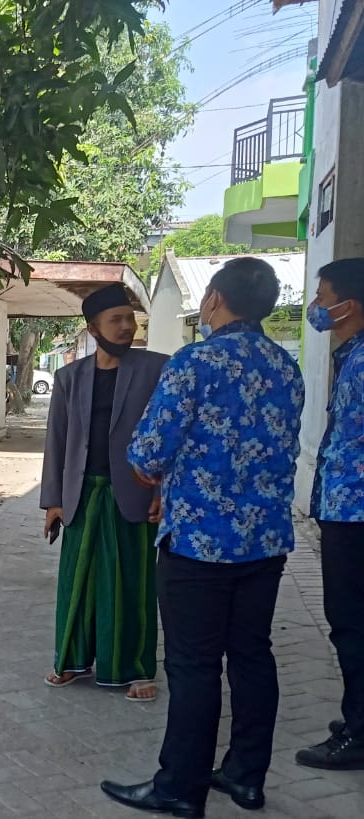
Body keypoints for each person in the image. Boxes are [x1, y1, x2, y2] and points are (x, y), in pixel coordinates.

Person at [101, 257, 304, 817]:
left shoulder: (196, 362)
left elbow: (146, 452)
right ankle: (245, 776)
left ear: (213, 298)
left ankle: (179, 788)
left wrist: (162, 476)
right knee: (252, 656)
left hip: (198, 542)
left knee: (192, 664)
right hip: (265, 541)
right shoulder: (286, 367)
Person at [40, 283, 168, 701]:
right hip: (82, 494)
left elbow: (169, 435)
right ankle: (70, 660)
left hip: (135, 494)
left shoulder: (157, 369)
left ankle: (136, 669)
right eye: (116, 320)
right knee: (76, 582)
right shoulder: (69, 378)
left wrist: (163, 491)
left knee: (134, 583)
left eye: (130, 319)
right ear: (93, 328)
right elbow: (57, 439)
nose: (126, 327)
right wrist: (53, 500)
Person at [296, 258, 364, 771]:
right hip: (345, 509)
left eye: (322, 297)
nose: (317, 307)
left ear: (349, 304)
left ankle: (358, 735)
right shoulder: (353, 355)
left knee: (352, 623)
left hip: (356, 515)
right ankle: (357, 716)